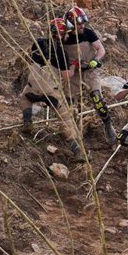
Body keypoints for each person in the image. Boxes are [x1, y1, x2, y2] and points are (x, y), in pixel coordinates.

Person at [20, 17, 83, 160]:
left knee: (24, 98)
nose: (67, 36)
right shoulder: (61, 52)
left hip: (33, 88)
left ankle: (27, 122)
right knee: (65, 119)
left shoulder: (38, 42)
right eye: (65, 33)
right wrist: (73, 65)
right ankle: (77, 150)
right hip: (51, 92)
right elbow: (66, 76)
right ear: (61, 34)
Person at [62, 6, 117, 144]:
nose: (82, 26)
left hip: (90, 70)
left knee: (97, 97)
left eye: (82, 23)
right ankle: (74, 133)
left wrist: (96, 60)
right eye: (78, 24)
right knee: (69, 103)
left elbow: (100, 49)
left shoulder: (88, 33)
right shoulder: (64, 38)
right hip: (74, 72)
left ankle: (107, 124)